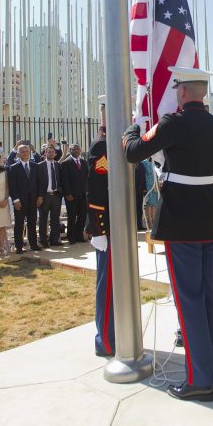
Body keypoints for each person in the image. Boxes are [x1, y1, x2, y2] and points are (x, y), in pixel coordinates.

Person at [124, 66, 213, 402]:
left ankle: (200, 380)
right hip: (209, 218)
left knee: (189, 300)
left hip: (182, 220)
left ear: (183, 91)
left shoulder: (173, 122)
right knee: (210, 296)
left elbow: (133, 152)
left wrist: (131, 130)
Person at [86, 112, 114, 359]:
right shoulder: (102, 146)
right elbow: (96, 191)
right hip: (107, 227)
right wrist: (99, 230)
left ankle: (115, 335)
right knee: (107, 286)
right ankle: (105, 340)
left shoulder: (112, 144)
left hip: (118, 225)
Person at [7, 144, 41, 253]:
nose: (25, 153)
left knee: (32, 223)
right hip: (20, 201)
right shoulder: (14, 167)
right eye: (23, 152)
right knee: (19, 224)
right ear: (18, 153)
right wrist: (15, 200)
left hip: (33, 200)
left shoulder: (35, 166)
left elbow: (39, 183)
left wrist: (40, 196)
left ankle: (33, 244)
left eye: (27, 151)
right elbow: (12, 186)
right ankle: (19, 246)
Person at [60, 143, 88, 243]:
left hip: (83, 195)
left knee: (82, 216)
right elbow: (65, 180)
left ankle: (79, 235)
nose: (76, 151)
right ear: (70, 151)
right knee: (72, 217)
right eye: (74, 149)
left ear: (80, 150)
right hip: (71, 195)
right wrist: (67, 193)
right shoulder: (66, 163)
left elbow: (86, 179)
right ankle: (71, 237)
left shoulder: (84, 163)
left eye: (77, 149)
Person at [35, 145, 63, 247]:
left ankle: (54, 239)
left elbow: (61, 180)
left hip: (56, 195)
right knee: (43, 219)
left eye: (52, 152)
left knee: (55, 218)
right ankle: (43, 240)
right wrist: (39, 196)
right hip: (44, 196)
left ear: (55, 154)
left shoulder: (58, 165)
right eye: (49, 152)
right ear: (45, 153)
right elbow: (37, 183)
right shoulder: (39, 165)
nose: (51, 153)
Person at [141, 158, 159, 230]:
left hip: (154, 185)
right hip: (148, 185)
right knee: (149, 204)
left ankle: (154, 222)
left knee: (154, 204)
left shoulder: (154, 163)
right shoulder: (144, 163)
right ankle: (149, 222)